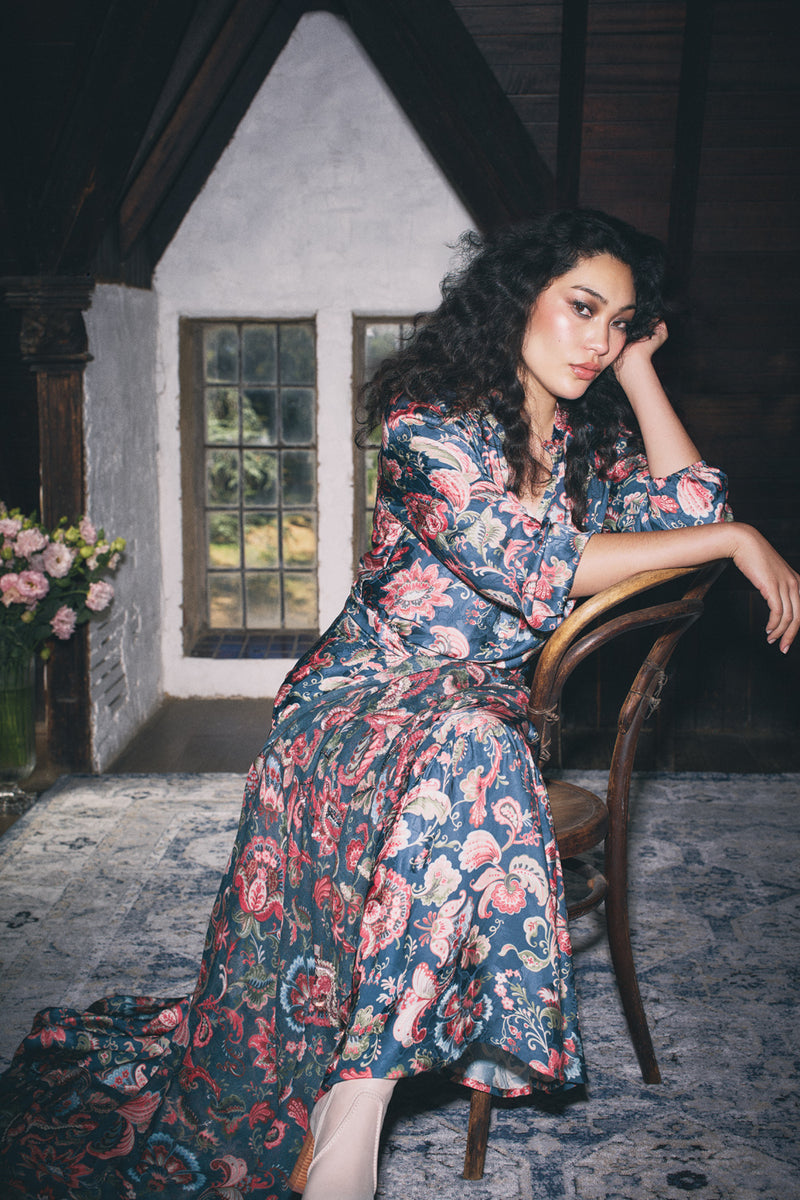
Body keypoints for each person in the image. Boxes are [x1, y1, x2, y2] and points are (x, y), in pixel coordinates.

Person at [0, 210, 797, 1200]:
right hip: (354, 709)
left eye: (620, 322)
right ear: (519, 299)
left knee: (476, 746)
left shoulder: (580, 441)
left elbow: (691, 511)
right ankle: (348, 1130)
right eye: (582, 309)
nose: (596, 339)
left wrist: (640, 375)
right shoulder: (429, 427)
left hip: (470, 717)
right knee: (478, 751)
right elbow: (537, 566)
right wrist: (735, 542)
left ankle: (351, 1112)